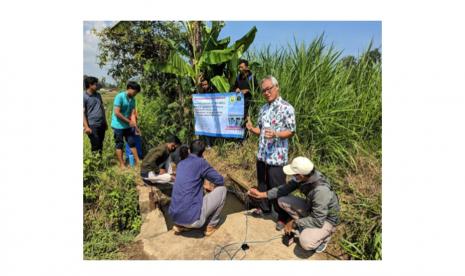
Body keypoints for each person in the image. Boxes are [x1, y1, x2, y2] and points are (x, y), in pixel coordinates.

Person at [247, 157, 340, 253]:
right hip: (311, 208)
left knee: (305, 242)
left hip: (326, 219)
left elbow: (318, 220)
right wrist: (262, 195)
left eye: (294, 174)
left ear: (301, 175)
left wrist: (295, 223)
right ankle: (306, 224)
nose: (292, 176)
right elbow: (283, 189)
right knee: (282, 200)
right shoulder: (305, 177)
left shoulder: (321, 191)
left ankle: (325, 237)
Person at [245, 75, 296, 230]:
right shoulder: (263, 109)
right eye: (263, 91)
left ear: (276, 87)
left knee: (278, 185)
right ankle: (264, 208)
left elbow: (291, 131)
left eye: (269, 89)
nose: (266, 93)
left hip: (276, 155)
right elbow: (261, 130)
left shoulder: (287, 108)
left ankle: (282, 216)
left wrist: (276, 134)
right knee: (262, 182)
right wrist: (252, 128)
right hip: (262, 154)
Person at [168, 140, 226, 237]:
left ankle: (181, 225)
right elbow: (220, 180)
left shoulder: (181, 164)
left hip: (174, 217)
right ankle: (210, 226)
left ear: (189, 150)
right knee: (223, 190)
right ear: (203, 152)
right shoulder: (201, 163)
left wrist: (204, 185)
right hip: (193, 220)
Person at [110, 81, 141, 169]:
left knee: (132, 142)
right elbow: (117, 112)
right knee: (119, 144)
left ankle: (138, 161)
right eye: (135, 92)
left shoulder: (132, 100)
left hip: (127, 126)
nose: (135, 94)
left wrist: (136, 127)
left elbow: (132, 114)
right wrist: (129, 121)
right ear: (130, 88)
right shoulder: (119, 97)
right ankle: (122, 164)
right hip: (118, 125)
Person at [83, 76, 107, 154]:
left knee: (100, 144)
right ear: (90, 85)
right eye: (95, 84)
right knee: (95, 144)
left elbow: (102, 108)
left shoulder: (98, 95)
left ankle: (99, 163)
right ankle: (94, 163)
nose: (97, 86)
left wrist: (105, 122)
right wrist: (86, 127)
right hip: (92, 124)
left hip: (101, 124)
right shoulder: (84, 96)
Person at [198, 77, 216, 149]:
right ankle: (209, 144)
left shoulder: (212, 90)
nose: (204, 86)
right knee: (206, 128)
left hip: (213, 113)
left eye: (206, 84)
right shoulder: (201, 92)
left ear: (208, 84)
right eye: (203, 85)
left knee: (212, 127)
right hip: (205, 113)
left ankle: (214, 143)